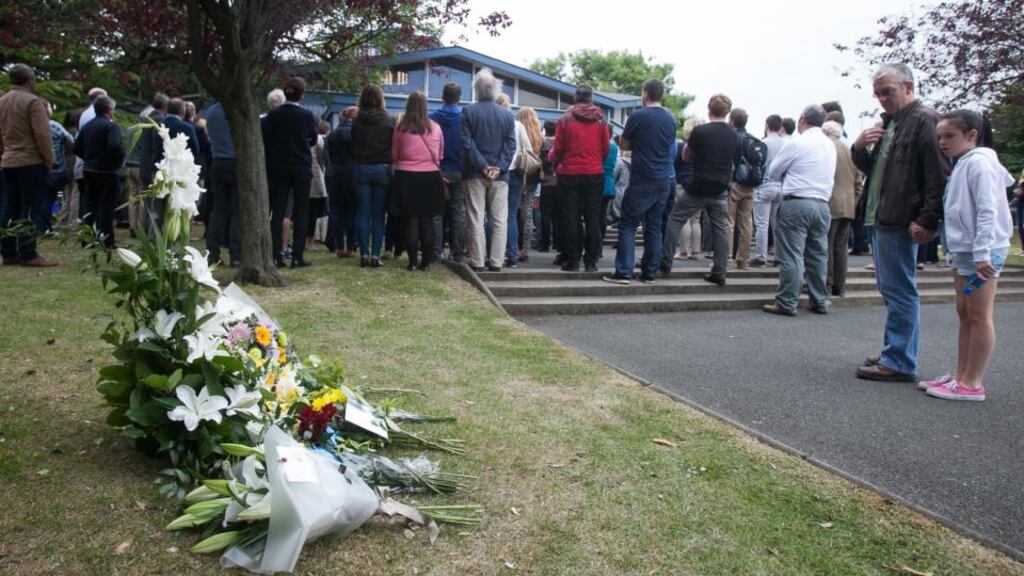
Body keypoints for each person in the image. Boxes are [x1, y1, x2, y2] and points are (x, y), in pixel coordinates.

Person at [853, 64, 948, 383]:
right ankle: (896, 351)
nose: (881, 98)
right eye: (877, 93)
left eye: (887, 91)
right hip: (883, 216)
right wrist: (858, 147)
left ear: (908, 86)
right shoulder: (891, 124)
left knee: (900, 290)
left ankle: (899, 359)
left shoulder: (923, 120)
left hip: (899, 219)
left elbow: (937, 174)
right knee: (893, 288)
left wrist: (927, 219)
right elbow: (878, 171)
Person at [918, 110, 1014, 401]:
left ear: (971, 135)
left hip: (981, 250)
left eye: (950, 136)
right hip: (965, 249)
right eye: (940, 137)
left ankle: (972, 382)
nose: (943, 143)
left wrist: (983, 252)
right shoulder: (962, 164)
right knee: (965, 312)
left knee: (979, 315)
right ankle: (961, 374)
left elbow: (988, 211)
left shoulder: (981, 165)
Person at [761, 105, 837, 316]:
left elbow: (774, 171)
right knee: (818, 255)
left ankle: (787, 301)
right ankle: (819, 300)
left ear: (802, 120)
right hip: (822, 203)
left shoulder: (797, 142)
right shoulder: (830, 145)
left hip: (797, 201)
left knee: (792, 255)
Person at [602, 79, 676, 285]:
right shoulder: (670, 119)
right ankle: (649, 272)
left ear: (645, 94)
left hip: (642, 178)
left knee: (628, 223)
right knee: (654, 226)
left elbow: (624, 144)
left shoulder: (637, 116)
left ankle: (624, 271)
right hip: (663, 179)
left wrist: (638, 142)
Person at [659, 94, 738, 285]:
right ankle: (719, 270)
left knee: (676, 219)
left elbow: (686, 156)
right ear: (727, 112)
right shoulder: (733, 135)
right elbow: (734, 160)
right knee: (720, 227)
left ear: (709, 109)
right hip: (720, 187)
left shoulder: (700, 132)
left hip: (698, 185)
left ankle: (665, 261)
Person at [0, 64, 57, 267]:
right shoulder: (33, 102)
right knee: (31, 208)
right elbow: (42, 134)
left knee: (9, 206)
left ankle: (7, 252)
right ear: (30, 79)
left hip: (8, 160)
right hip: (31, 161)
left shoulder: (2, 100)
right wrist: (49, 159)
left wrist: (4, 153)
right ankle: (28, 252)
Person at [549, 84, 609, 272]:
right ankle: (591, 261)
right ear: (591, 98)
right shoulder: (601, 120)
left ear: (575, 98)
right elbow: (605, 149)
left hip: (570, 174)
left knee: (571, 218)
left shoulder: (565, 120)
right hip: (594, 173)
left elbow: (558, 149)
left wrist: (554, 160)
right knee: (593, 218)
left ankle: (572, 260)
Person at [461, 68, 516, 272]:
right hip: (500, 175)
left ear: (476, 90)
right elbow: (511, 146)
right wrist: (499, 167)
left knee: (476, 217)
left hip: (475, 173)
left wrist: (483, 166)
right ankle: (496, 261)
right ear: (495, 90)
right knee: (500, 218)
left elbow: (468, 143)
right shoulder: (507, 115)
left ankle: (477, 261)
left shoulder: (468, 112)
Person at [261, 76, 318, 268]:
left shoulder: (273, 115)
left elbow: (266, 138)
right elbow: (313, 138)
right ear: (302, 95)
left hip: (278, 166)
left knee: (278, 211)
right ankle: (297, 256)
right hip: (301, 165)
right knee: (301, 211)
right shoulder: (307, 116)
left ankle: (277, 254)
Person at [390, 91, 445, 271]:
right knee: (427, 220)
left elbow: (394, 155)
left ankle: (412, 262)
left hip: (405, 176)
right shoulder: (436, 128)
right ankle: (426, 263)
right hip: (430, 176)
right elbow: (440, 155)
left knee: (411, 220)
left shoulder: (401, 129)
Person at [351, 84, 394, 268]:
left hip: (361, 167)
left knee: (363, 213)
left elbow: (352, 143)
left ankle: (363, 253)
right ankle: (376, 254)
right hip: (382, 169)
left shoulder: (356, 120)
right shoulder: (389, 120)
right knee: (378, 215)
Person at [74, 95, 124, 249]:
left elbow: (76, 147)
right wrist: (116, 161)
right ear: (109, 110)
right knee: (107, 206)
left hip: (89, 169)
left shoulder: (87, 126)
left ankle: (87, 237)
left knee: (90, 205)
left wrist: (89, 157)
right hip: (107, 171)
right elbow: (115, 146)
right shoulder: (111, 126)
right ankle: (107, 239)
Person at [823, 120, 862, 297]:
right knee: (841, 246)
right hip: (848, 204)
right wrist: (853, 201)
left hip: (831, 201)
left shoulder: (828, 149)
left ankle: (828, 282)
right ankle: (840, 285)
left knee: (827, 245)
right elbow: (858, 183)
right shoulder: (850, 150)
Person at [429, 83, 467, 263]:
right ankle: (458, 252)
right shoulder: (465, 118)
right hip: (459, 171)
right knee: (458, 212)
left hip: (438, 170)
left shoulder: (433, 118)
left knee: (437, 212)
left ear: (443, 96)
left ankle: (435, 252)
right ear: (459, 97)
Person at [204, 100, 241, 266]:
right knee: (237, 210)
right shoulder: (236, 108)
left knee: (218, 209)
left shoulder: (211, 112)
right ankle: (236, 254)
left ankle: (213, 252)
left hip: (217, 161)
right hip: (235, 162)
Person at [496, 93, 530, 268]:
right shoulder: (517, 125)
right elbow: (528, 149)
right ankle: (512, 255)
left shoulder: (494, 122)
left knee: (493, 214)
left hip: (497, 171)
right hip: (515, 172)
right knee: (510, 215)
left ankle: (494, 254)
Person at [751, 114, 786, 267]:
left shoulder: (762, 143)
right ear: (781, 128)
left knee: (762, 224)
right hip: (781, 187)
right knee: (777, 223)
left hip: (764, 186)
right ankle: (778, 255)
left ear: (766, 126)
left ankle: (761, 256)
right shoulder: (786, 144)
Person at [726, 107, 757, 270]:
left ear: (732, 121)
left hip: (735, 183)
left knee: (729, 221)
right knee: (747, 222)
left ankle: (727, 258)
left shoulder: (732, 138)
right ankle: (743, 259)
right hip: (750, 185)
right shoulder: (752, 139)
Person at [326, 106, 358, 258]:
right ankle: (351, 247)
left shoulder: (332, 134)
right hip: (353, 174)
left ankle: (339, 246)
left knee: (337, 211)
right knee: (352, 210)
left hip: (336, 174)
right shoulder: (357, 134)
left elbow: (328, 157)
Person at [515, 106, 544, 264]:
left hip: (518, 174)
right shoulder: (539, 136)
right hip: (533, 177)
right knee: (527, 212)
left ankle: (513, 246)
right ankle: (525, 248)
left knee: (513, 211)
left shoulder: (517, 131)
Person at [46, 102, 75, 234]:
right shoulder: (53, 125)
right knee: (50, 198)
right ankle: (46, 226)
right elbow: (71, 141)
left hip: (34, 166)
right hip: (55, 167)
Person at [538, 121, 558, 253]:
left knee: (545, 213)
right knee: (558, 214)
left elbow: (542, 163)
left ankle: (545, 243)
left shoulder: (543, 144)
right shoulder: (559, 143)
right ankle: (557, 243)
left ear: (545, 129)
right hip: (559, 181)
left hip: (546, 182)